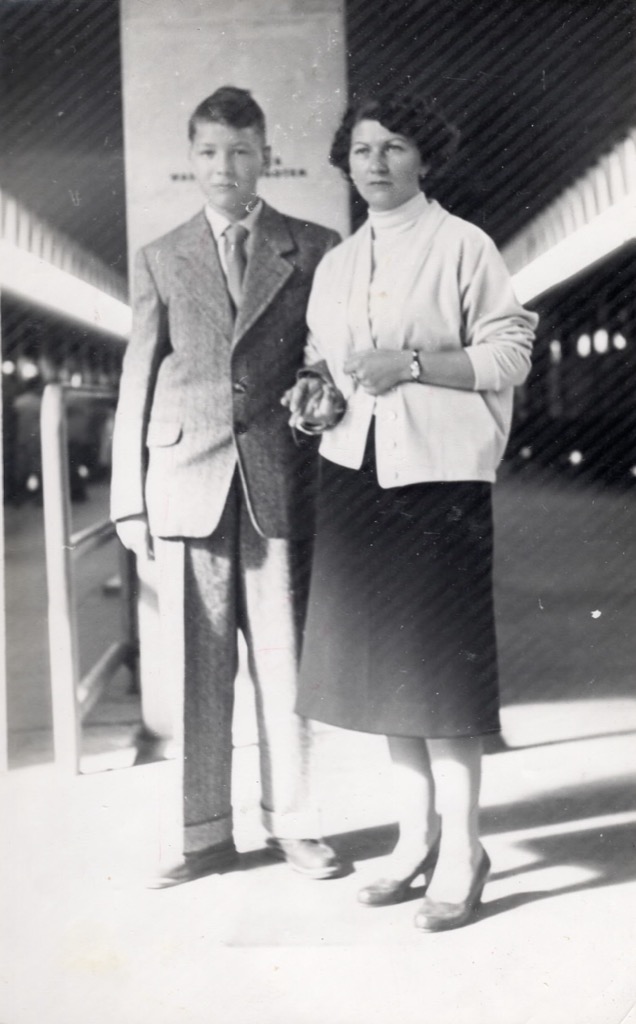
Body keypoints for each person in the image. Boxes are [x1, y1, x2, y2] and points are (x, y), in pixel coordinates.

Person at [284, 90, 538, 930]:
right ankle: (414, 838)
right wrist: (314, 392)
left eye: (395, 146)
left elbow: (510, 352)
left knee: (441, 675)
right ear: (346, 164)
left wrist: (414, 366)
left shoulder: (464, 245)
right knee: (385, 673)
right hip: (355, 475)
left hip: (438, 480)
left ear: (425, 158)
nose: (377, 163)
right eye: (363, 149)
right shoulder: (337, 264)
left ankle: (463, 849)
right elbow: (325, 356)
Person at [111, 86, 342, 887]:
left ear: (264, 156)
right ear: (192, 158)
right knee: (195, 671)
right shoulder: (160, 255)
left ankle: (296, 826)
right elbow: (138, 377)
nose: (225, 167)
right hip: (185, 483)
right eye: (209, 151)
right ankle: (201, 834)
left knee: (287, 664)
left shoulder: (313, 246)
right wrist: (129, 498)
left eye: (241, 151)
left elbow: (328, 351)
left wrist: (322, 386)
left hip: (280, 480)